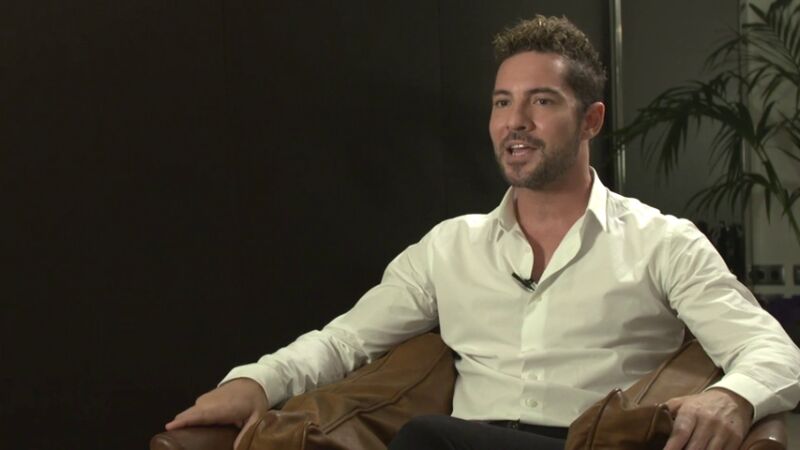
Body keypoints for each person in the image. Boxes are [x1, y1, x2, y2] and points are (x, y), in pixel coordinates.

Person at [166, 15, 800, 450]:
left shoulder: (662, 242)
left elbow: (773, 351)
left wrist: (734, 399)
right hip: (465, 440)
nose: (515, 121)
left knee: (425, 439)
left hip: (584, 443)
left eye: (541, 101)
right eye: (502, 101)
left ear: (591, 120)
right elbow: (344, 342)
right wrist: (256, 381)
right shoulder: (450, 247)